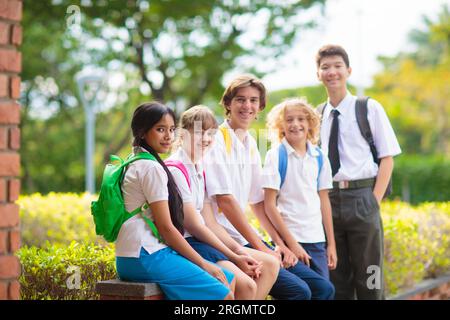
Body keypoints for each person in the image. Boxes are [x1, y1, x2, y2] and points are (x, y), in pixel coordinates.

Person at [204, 74, 335, 300]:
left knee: (322, 289)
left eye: (253, 100)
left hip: (247, 238)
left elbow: (258, 203)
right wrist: (263, 248)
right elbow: (226, 202)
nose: (247, 106)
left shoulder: (252, 144)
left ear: (260, 106)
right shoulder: (216, 140)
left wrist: (279, 244)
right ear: (228, 103)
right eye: (240, 100)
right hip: (223, 239)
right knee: (299, 292)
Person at [114, 101, 235, 300]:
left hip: (132, 255)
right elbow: (166, 228)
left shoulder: (135, 160)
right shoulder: (151, 168)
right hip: (146, 255)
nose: (168, 136)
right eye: (160, 129)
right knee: (225, 296)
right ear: (142, 132)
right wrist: (203, 264)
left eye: (171, 129)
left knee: (229, 279)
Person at [316, 44, 402, 299]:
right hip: (328, 201)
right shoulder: (316, 115)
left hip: (362, 196)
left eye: (337, 66)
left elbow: (387, 158)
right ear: (318, 74)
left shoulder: (368, 107)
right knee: (336, 276)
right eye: (325, 67)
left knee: (371, 274)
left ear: (348, 70)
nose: (332, 72)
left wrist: (373, 201)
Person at [167, 105, 268, 300]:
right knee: (245, 284)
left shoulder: (199, 167)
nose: (206, 139)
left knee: (254, 278)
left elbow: (209, 222)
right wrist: (234, 256)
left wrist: (238, 251)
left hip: (201, 241)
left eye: (210, 133)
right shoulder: (175, 169)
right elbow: (195, 226)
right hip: (187, 243)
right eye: (199, 133)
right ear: (182, 134)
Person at [263, 97, 337, 282]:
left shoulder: (320, 157)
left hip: (317, 240)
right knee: (306, 292)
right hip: (290, 239)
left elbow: (324, 201)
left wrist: (331, 244)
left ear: (310, 123)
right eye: (289, 120)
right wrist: (291, 244)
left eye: (301, 119)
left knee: (324, 292)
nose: (295, 124)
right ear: (281, 125)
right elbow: (269, 205)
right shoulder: (276, 156)